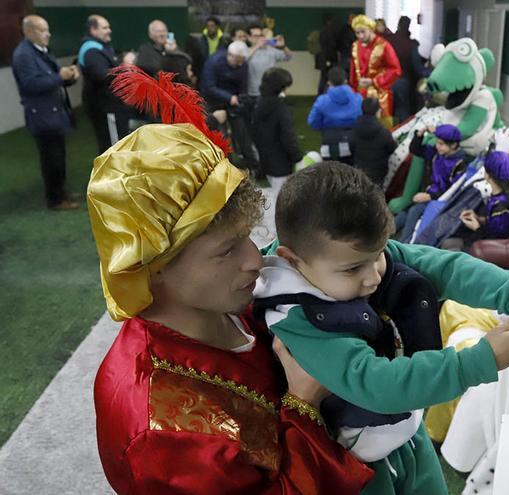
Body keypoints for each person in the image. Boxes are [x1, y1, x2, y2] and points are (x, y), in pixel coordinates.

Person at [253, 162, 509, 494]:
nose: (373, 276)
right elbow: (377, 384)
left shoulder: (348, 255)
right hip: (359, 467)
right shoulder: (296, 319)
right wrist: (479, 361)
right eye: (353, 270)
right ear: (292, 260)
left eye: (379, 255)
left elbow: (447, 267)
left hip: (406, 430)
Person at [87, 120, 374, 492]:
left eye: (247, 236)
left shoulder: (231, 302)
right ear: (152, 266)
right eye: (226, 250)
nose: (255, 259)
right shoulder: (159, 431)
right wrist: (305, 403)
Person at [12, 15, 79, 210]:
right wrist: (60, 77)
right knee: (51, 160)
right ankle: (55, 199)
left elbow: (55, 77)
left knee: (59, 156)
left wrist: (69, 77)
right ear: (29, 32)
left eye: (47, 30)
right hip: (42, 116)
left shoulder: (42, 51)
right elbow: (31, 84)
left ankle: (61, 192)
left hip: (54, 113)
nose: (48, 34)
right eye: (43, 30)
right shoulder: (23, 55)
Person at [395, 124, 467, 242]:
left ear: (453, 145)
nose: (437, 146)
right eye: (437, 142)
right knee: (404, 213)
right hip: (429, 194)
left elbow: (453, 192)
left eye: (441, 144)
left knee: (414, 211)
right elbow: (415, 149)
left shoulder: (459, 165)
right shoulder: (436, 154)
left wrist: (430, 196)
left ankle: (405, 243)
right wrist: (420, 134)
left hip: (440, 200)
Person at [79, 15, 132, 153]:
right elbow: (102, 76)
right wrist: (124, 66)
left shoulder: (102, 47)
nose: (109, 30)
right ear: (93, 30)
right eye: (105, 28)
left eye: (109, 27)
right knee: (114, 149)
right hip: (106, 108)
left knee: (119, 145)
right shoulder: (91, 50)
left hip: (113, 106)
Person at [200, 40, 257, 170]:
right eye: (238, 61)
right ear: (230, 55)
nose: (241, 64)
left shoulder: (243, 63)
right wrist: (229, 97)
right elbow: (208, 87)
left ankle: (253, 166)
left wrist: (241, 100)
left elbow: (243, 85)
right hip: (214, 102)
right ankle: (227, 168)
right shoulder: (213, 62)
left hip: (234, 102)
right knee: (222, 136)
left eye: (242, 61)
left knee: (242, 134)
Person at [252, 68, 301, 200]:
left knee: (276, 195)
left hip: (266, 160)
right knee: (282, 199)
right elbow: (288, 137)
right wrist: (297, 157)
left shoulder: (258, 104)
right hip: (281, 164)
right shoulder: (281, 109)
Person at [349, 15, 401, 127]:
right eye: (357, 33)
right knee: (361, 127)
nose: (360, 36)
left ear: (371, 29)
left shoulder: (384, 45)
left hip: (379, 96)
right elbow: (353, 73)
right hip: (360, 96)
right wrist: (353, 91)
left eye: (363, 32)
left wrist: (374, 81)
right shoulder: (355, 46)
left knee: (381, 127)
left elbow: (395, 69)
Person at [459, 151, 509, 241]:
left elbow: (495, 243)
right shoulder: (505, 195)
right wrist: (478, 218)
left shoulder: (501, 208)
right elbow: (493, 224)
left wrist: (476, 228)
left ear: (487, 175)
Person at [308, 66, 362, 164]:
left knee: (331, 171)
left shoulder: (322, 100)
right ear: (346, 81)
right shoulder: (358, 99)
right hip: (353, 142)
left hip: (329, 142)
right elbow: (362, 120)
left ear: (329, 82)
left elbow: (313, 122)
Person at [350, 97, 396, 185]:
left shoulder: (354, 129)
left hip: (359, 169)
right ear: (378, 112)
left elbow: (351, 146)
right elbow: (392, 148)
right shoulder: (383, 132)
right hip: (378, 172)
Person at [385, 16, 419, 122]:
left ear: (398, 25)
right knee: (402, 109)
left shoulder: (387, 40)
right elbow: (417, 67)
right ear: (408, 26)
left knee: (386, 109)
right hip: (402, 80)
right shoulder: (411, 44)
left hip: (386, 80)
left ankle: (386, 130)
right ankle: (401, 130)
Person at [245, 24, 292, 98]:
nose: (259, 38)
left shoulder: (270, 50)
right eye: (256, 36)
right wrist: (258, 45)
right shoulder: (246, 50)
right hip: (254, 92)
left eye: (261, 35)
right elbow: (244, 59)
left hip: (272, 91)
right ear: (249, 38)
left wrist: (283, 47)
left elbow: (289, 56)